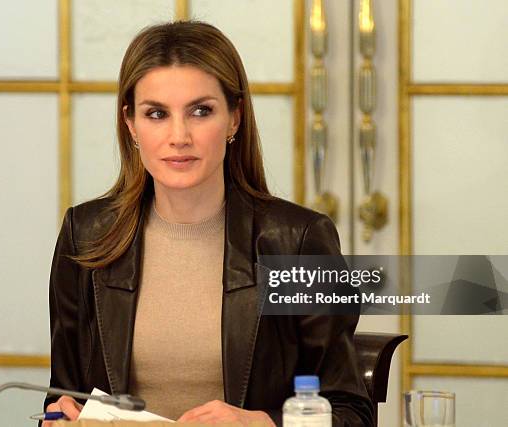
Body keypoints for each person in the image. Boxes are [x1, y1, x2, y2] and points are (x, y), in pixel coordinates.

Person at [42, 20, 373, 427]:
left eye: (201, 111)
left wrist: (260, 424)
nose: (178, 135)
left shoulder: (296, 242)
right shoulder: (87, 234)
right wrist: (58, 419)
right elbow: (62, 398)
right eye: (157, 114)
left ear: (234, 119)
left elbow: (352, 414)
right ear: (130, 124)